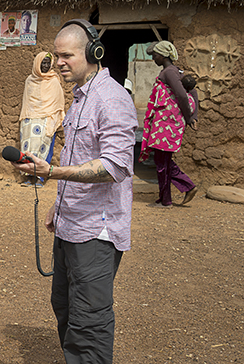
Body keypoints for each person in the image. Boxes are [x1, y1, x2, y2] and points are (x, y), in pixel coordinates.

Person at [12, 20, 137, 364]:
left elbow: (115, 167)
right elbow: (78, 156)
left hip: (96, 231)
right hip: (71, 223)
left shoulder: (111, 99)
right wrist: (59, 202)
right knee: (65, 306)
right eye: (56, 55)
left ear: (94, 53)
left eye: (67, 55)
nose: (59, 62)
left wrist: (51, 172)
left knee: (89, 322)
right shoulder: (80, 98)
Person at [140, 41, 198, 207]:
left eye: (155, 55)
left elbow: (183, 94)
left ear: (164, 55)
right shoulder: (173, 71)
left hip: (167, 124)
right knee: (162, 160)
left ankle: (182, 190)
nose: (153, 58)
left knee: (161, 161)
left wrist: (190, 117)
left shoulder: (170, 72)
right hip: (166, 124)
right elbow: (191, 90)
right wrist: (193, 116)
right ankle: (167, 198)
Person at [17, 51, 65, 186]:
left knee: (43, 148)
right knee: (28, 149)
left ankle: (40, 178)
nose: (45, 65)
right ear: (37, 63)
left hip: (46, 119)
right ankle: (28, 177)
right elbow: (27, 102)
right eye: (43, 63)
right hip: (29, 119)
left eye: (48, 63)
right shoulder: (29, 81)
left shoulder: (54, 80)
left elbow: (57, 102)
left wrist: (53, 119)